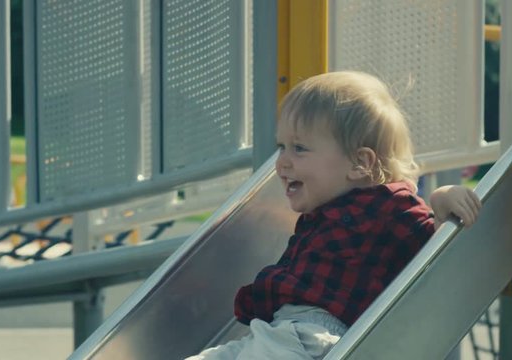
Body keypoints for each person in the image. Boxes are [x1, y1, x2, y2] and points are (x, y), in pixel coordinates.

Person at [186, 71, 481, 360]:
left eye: (299, 148)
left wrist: (443, 198)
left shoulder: (388, 205)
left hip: (316, 338)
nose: (282, 163)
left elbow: (437, 253)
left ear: (359, 162)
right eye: (282, 147)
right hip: (280, 334)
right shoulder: (323, 213)